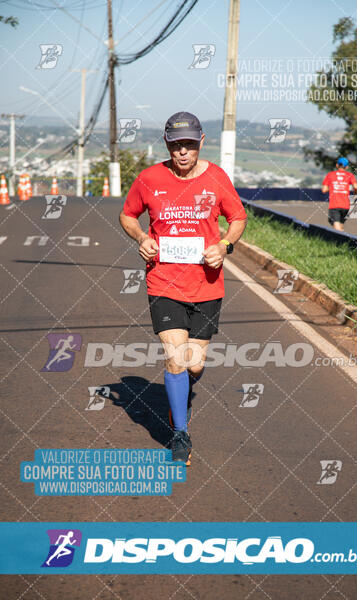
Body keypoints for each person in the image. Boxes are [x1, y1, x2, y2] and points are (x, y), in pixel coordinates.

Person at [119, 111, 247, 465]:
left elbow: (238, 218)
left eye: (190, 145)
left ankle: (185, 387)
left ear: (201, 143)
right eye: (177, 146)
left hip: (206, 286)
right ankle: (180, 434)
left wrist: (223, 247)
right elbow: (128, 214)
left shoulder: (217, 179)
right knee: (175, 359)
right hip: (163, 282)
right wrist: (142, 237)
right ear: (167, 145)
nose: (183, 153)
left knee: (194, 363)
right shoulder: (149, 179)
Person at [322, 157, 357, 231]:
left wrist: (333, 187)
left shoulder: (330, 175)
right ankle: (342, 240)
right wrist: (354, 195)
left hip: (335, 205)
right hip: (346, 206)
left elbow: (324, 190)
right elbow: (356, 186)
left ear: (337, 165)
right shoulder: (350, 175)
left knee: (336, 227)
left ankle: (341, 241)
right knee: (340, 226)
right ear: (347, 167)